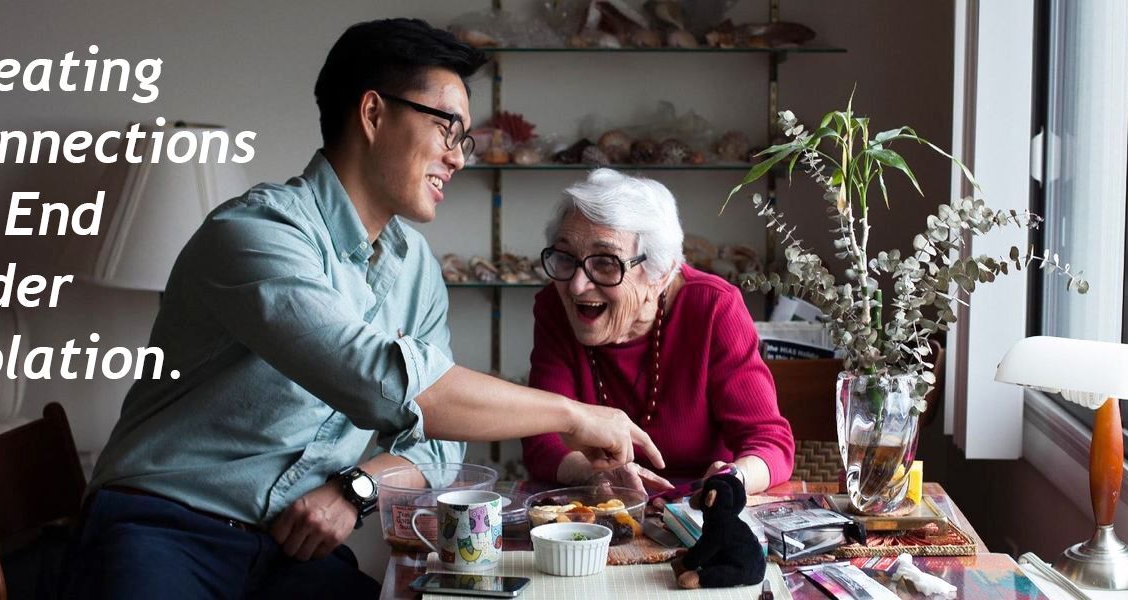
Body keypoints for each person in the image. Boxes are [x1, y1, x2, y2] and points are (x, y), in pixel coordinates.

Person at [60, 20, 662, 599]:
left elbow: (437, 446)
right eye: (447, 129)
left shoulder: (416, 267)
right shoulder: (254, 233)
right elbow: (383, 382)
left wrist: (357, 487)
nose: (458, 157)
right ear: (373, 113)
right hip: (164, 525)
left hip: (290, 551)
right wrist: (573, 415)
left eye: (464, 139)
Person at [521, 169, 794, 497]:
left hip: (699, 510)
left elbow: (769, 442)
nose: (578, 286)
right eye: (566, 258)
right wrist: (596, 475)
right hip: (599, 509)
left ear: (660, 273)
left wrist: (734, 479)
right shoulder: (555, 305)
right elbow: (541, 437)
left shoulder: (713, 308)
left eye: (606, 263)